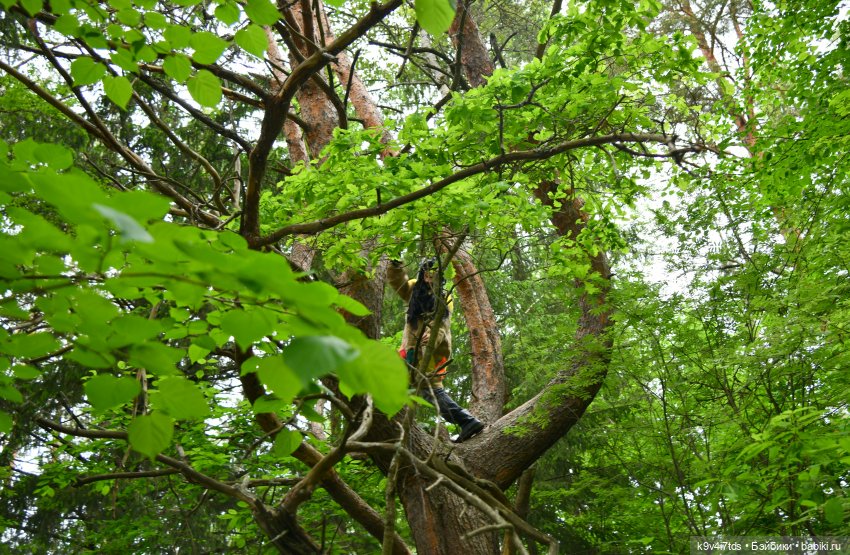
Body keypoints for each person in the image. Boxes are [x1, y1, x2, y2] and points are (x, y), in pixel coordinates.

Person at [388, 258, 484, 443]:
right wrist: (396, 266)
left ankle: (467, 421)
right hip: (410, 351)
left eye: (433, 272)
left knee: (430, 390)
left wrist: (431, 335)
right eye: (426, 271)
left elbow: (442, 326)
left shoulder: (444, 297)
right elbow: (399, 285)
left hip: (431, 352)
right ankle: (396, 430)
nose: (429, 274)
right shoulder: (414, 288)